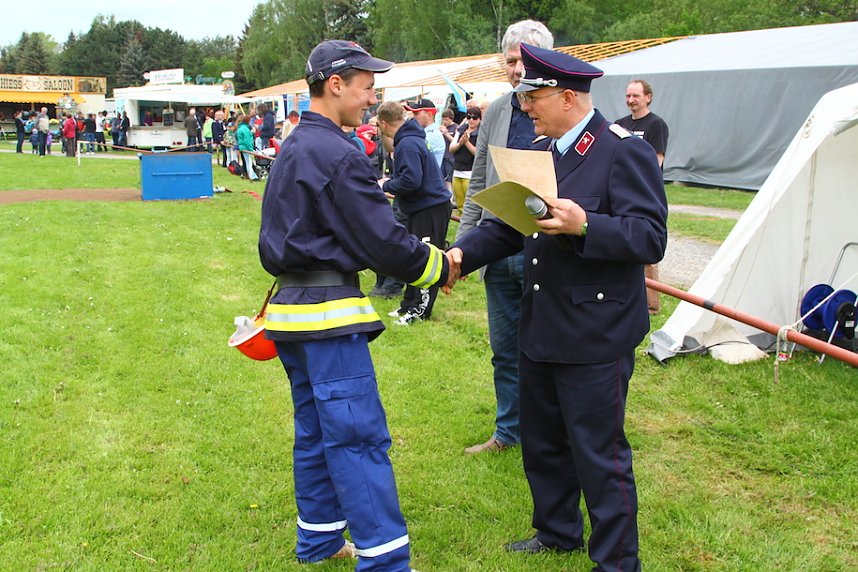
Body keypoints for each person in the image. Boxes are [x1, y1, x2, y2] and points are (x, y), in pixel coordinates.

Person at [447, 43, 667, 572]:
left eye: (533, 98)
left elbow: (650, 237)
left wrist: (585, 224)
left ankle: (616, 560)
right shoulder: (546, 154)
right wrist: (459, 253)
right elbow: (507, 224)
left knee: (598, 452)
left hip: (596, 331)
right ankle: (557, 531)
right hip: (543, 322)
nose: (525, 108)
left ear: (567, 97)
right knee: (543, 441)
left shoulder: (623, 150)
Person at [258, 39, 453, 572]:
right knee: (358, 438)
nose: (372, 96)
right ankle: (386, 563)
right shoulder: (338, 152)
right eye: (366, 85)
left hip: (292, 313)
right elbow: (384, 241)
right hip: (327, 316)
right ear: (335, 84)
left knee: (316, 432)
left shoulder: (298, 143)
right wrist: (440, 267)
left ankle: (320, 541)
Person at [455, 20, 554, 455]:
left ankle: (550, 435)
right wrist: (461, 250)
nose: (516, 69)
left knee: (548, 350)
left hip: (548, 252)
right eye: (510, 60)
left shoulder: (562, 108)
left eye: (522, 60)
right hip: (498, 249)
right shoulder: (496, 111)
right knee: (505, 350)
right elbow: (478, 184)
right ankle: (509, 431)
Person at [376, 101, 453, 326]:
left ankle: (420, 310)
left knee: (426, 259)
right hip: (421, 207)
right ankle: (409, 303)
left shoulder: (407, 144)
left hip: (430, 208)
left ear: (383, 123)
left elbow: (411, 180)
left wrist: (386, 185)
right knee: (413, 256)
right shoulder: (410, 139)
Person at [615, 79, 670, 314]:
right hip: (621, 190)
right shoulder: (619, 125)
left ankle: (651, 303)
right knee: (621, 241)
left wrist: (642, 184)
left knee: (644, 245)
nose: (631, 100)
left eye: (636, 95)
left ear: (648, 97)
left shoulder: (656, 124)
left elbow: (656, 161)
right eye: (628, 96)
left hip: (645, 191)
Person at [448, 106, 481, 210]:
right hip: (457, 171)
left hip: (471, 173)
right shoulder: (461, 130)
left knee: (470, 205)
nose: (471, 120)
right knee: (460, 204)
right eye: (469, 117)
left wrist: (467, 143)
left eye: (475, 117)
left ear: (480, 119)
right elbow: (451, 149)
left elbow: (479, 153)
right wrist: (460, 143)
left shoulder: (482, 132)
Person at [403, 98, 445, 170]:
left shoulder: (433, 136)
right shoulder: (424, 133)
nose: (413, 117)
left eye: (416, 113)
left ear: (428, 115)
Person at [235, 114, 258, 180]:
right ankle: (252, 176)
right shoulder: (245, 129)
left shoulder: (240, 128)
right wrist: (251, 148)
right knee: (249, 162)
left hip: (242, 147)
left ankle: (248, 174)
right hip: (246, 147)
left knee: (246, 161)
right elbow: (247, 139)